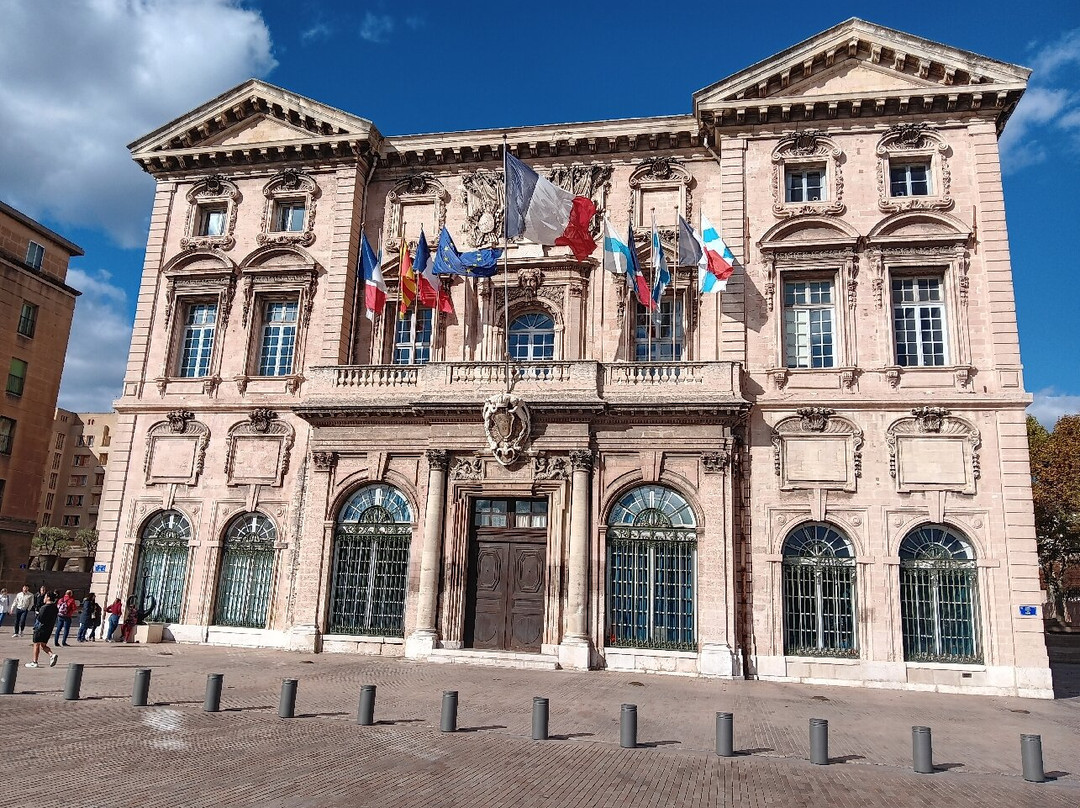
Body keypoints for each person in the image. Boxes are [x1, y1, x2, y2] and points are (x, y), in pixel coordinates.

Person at [26, 592, 58, 668]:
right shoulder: (55, 607)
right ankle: (52, 655)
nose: (44, 598)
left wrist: (37, 614)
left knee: (36, 644)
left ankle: (35, 662)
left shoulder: (44, 607)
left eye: (45, 597)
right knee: (43, 645)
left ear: (48, 598)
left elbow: (40, 618)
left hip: (40, 628)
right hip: (49, 628)